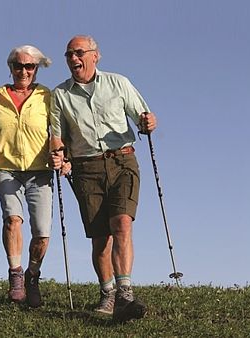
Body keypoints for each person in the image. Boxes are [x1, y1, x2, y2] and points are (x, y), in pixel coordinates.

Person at [50, 35, 157, 322]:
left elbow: (143, 117)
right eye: (69, 54)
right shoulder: (59, 95)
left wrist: (148, 122)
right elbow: (57, 137)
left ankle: (124, 294)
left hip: (122, 160)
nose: (74, 59)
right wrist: (58, 154)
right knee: (101, 238)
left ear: (95, 56)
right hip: (87, 169)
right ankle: (107, 293)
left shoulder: (118, 83)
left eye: (79, 52)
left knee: (122, 223)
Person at [0, 45, 54, 308]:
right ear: (10, 68)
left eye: (29, 66)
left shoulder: (47, 96)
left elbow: (58, 130)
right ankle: (16, 276)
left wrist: (61, 154)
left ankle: (33, 275)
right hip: (7, 168)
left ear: (36, 69)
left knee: (42, 233)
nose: (23, 71)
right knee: (12, 220)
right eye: (18, 66)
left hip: (40, 170)